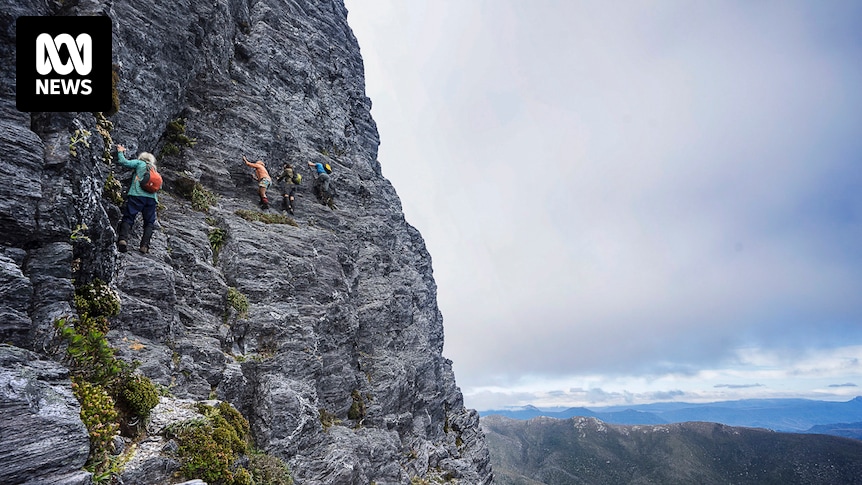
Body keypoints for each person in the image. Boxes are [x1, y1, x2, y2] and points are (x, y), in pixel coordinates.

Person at [116, 145, 158, 254]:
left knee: (129, 217)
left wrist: (120, 152)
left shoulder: (139, 163)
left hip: (137, 195)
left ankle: (123, 240)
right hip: (151, 199)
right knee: (149, 222)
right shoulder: (154, 169)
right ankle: (144, 246)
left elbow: (124, 162)